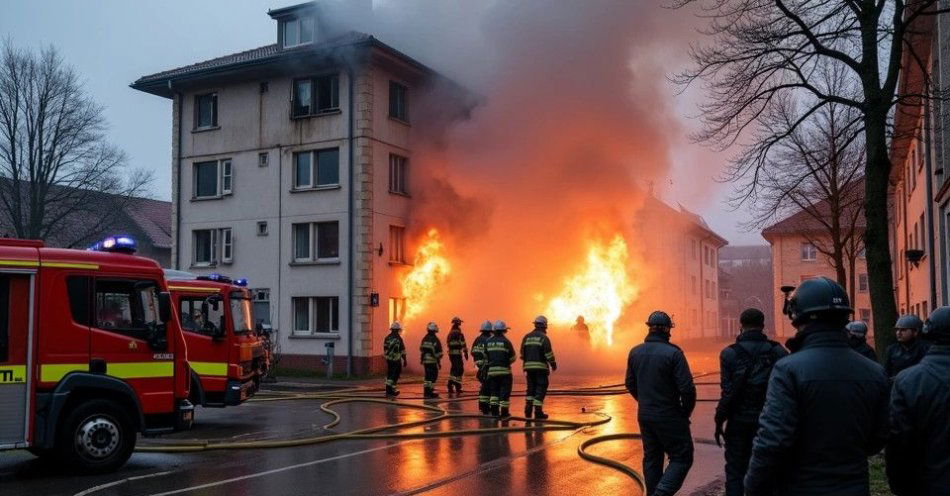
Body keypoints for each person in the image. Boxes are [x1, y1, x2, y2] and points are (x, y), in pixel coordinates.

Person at [744, 277, 889, 496]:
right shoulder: (875, 372)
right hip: (854, 486)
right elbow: (878, 438)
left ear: (797, 317)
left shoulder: (788, 370)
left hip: (801, 486)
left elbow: (772, 441)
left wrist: (753, 487)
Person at [714, 308, 788, 496]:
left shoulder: (729, 354)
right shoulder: (779, 352)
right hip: (770, 422)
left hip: (739, 422)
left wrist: (719, 420)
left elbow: (727, 392)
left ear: (741, 325)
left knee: (736, 471)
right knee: (771, 469)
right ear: (763, 326)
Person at [625, 310, 695, 496]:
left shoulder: (635, 352)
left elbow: (629, 384)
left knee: (652, 459)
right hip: (670, 414)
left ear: (649, 328)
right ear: (666, 329)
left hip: (645, 415)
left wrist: (646, 401)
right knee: (682, 457)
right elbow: (687, 389)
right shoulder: (674, 353)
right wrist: (684, 413)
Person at [886, 306, 950, 495]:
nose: (899, 333)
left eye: (903, 329)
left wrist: (900, 485)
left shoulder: (907, 381)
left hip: (928, 482)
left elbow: (899, 440)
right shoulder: (903, 373)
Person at [520, 315, 557, 419]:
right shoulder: (544, 338)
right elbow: (548, 354)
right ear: (544, 326)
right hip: (540, 368)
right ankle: (538, 411)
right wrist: (553, 364)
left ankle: (528, 409)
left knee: (530, 388)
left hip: (528, 368)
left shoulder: (526, 337)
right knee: (541, 387)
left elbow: (522, 353)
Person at [485, 320, 517, 419]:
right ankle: (504, 413)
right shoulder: (506, 342)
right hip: (504, 372)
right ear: (504, 330)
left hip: (492, 372)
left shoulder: (488, 342)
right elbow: (513, 357)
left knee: (494, 392)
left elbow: (485, 357)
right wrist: (505, 362)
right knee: (504, 392)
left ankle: (494, 412)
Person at [470, 320, 494, 414]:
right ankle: (485, 407)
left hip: (479, 365)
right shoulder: (489, 340)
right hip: (486, 365)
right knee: (487, 386)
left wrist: (478, 361)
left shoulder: (477, 339)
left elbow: (472, 351)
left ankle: (482, 405)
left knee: (484, 385)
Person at [383, 321, 408, 397]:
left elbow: (385, 348)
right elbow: (402, 350)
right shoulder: (398, 339)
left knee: (390, 373)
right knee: (395, 374)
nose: (398, 331)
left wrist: (388, 356)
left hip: (389, 359)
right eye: (398, 330)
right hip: (396, 360)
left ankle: (389, 390)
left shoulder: (387, 338)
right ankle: (391, 390)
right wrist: (405, 360)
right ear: (396, 330)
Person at [419, 322, 443, 399]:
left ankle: (427, 392)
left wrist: (422, 359)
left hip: (426, 361)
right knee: (433, 376)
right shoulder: (435, 340)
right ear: (435, 330)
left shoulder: (424, 338)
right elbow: (438, 352)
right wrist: (438, 362)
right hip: (432, 361)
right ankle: (430, 392)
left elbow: (422, 350)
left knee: (427, 377)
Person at [445, 316, 469, 394]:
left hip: (451, 354)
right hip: (457, 354)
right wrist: (466, 353)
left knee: (454, 369)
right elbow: (463, 343)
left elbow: (448, 343)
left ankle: (452, 385)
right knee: (459, 369)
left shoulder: (450, 333)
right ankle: (455, 385)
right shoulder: (458, 333)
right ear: (458, 323)